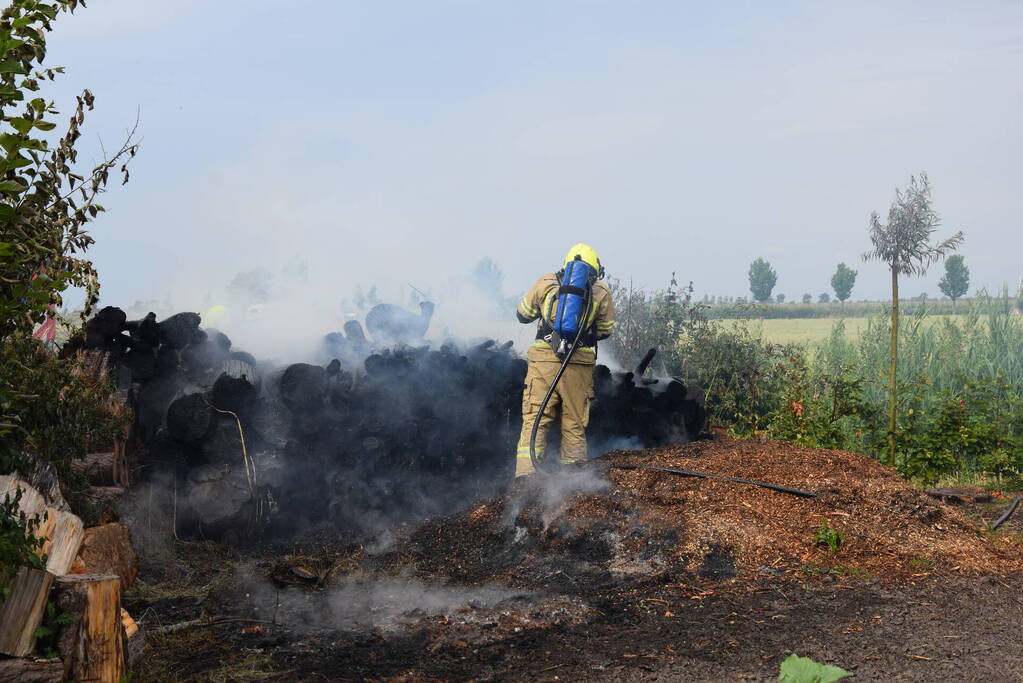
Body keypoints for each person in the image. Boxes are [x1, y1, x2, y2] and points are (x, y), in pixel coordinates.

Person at [514, 243, 615, 477]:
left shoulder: (545, 282)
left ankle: (524, 481)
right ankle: (572, 484)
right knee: (574, 424)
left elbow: (523, 315)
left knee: (535, 421)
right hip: (578, 365)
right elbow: (605, 331)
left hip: (543, 362)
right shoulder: (601, 291)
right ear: (595, 268)